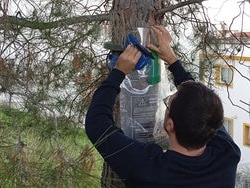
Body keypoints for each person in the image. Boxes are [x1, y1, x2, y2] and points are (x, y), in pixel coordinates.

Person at [85, 25, 241, 188]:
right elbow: (202, 105)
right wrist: (173, 60)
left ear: (170, 124)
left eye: (168, 103)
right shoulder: (227, 154)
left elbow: (96, 124)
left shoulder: (148, 170)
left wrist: (118, 71)